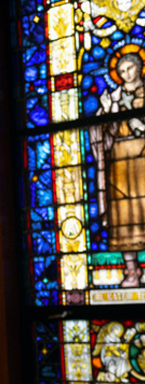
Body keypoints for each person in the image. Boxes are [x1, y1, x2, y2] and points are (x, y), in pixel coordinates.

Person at [92, 49, 145, 287]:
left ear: (140, 67)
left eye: (130, 69)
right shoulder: (114, 96)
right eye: (121, 71)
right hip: (120, 162)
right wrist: (107, 111)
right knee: (123, 215)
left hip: (143, 156)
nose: (126, 75)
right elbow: (106, 132)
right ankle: (131, 271)